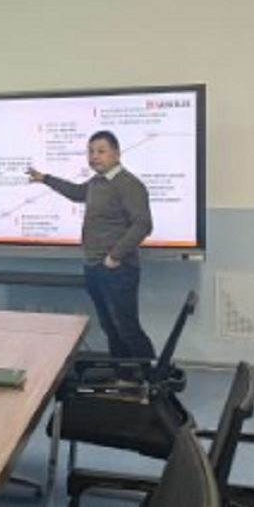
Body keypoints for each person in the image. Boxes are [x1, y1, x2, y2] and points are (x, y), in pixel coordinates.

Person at [27, 130, 156, 359]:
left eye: (101, 151)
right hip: (94, 267)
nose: (94, 156)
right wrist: (45, 178)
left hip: (118, 270)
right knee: (110, 327)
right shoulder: (97, 182)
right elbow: (76, 192)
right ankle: (123, 375)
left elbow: (143, 224)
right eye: (91, 151)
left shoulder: (128, 184)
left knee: (127, 328)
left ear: (117, 154)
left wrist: (114, 257)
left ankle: (150, 376)